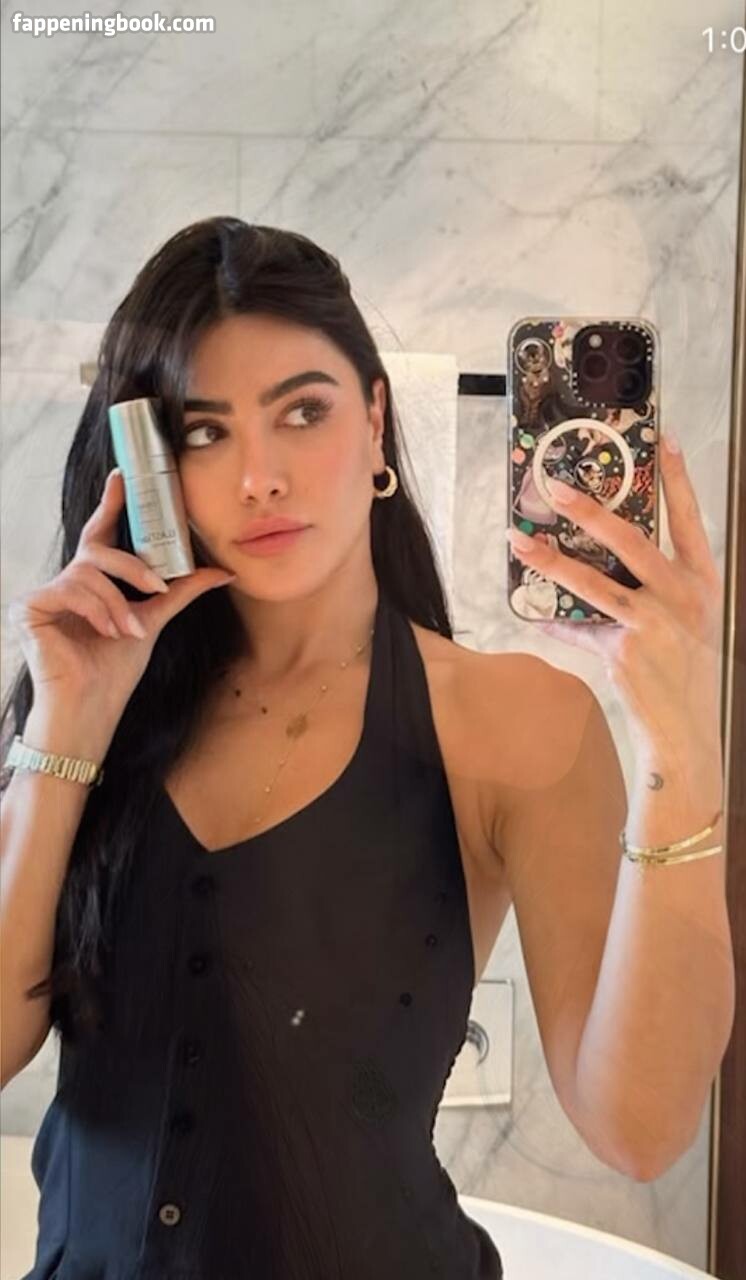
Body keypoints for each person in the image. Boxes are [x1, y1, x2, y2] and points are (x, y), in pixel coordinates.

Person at [1, 217, 732, 1279]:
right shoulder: (94, 706)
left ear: (377, 419)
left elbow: (640, 1129)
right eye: (205, 432)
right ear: (153, 462)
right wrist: (63, 731)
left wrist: (683, 742)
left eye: (303, 411)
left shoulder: (514, 722)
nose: (260, 476)